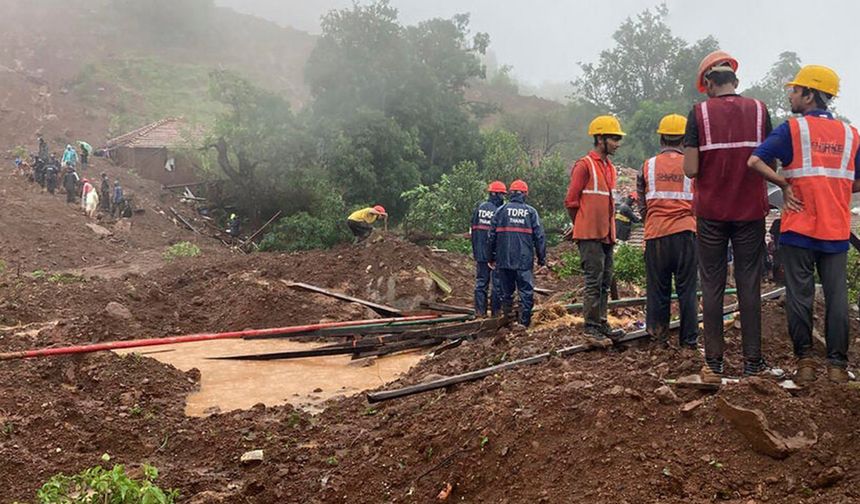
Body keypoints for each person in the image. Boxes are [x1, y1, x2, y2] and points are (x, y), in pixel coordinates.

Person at [747, 65, 860, 384]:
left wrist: (783, 183)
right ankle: (837, 366)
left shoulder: (792, 130)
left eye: (796, 90)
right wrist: (836, 190)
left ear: (810, 95)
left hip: (799, 228)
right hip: (836, 229)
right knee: (837, 296)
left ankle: (805, 363)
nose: (791, 94)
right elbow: (855, 180)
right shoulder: (851, 135)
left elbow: (754, 161)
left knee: (800, 295)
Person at [683, 50, 774, 382]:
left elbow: (691, 169)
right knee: (749, 281)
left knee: (712, 282)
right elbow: (770, 164)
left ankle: (715, 363)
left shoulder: (698, 114)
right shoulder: (760, 110)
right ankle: (752, 362)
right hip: (750, 210)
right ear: (736, 81)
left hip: (711, 213)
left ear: (709, 84)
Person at [636, 113, 698, 349]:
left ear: (662, 138)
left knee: (657, 291)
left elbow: (642, 203)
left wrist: (652, 222)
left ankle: (658, 339)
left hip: (656, 236)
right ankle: (689, 343)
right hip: (686, 234)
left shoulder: (647, 166)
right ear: (684, 140)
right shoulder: (692, 165)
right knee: (688, 292)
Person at [565, 115, 626, 344]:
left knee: (605, 280)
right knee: (593, 280)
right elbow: (571, 201)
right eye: (614, 138)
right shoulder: (584, 165)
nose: (617, 143)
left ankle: (601, 323)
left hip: (607, 234)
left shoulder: (609, 168)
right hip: (590, 234)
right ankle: (591, 328)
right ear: (600, 138)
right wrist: (579, 224)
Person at [487, 179, 547, 327]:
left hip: (503, 259)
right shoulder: (531, 212)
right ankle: (524, 324)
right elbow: (539, 237)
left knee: (506, 292)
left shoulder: (500, 211)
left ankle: (507, 322)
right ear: (525, 194)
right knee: (526, 292)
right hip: (524, 260)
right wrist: (542, 258)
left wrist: (491, 257)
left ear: (510, 193)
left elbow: (491, 237)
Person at [471, 181, 506, 318]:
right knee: (496, 284)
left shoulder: (479, 209)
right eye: (502, 195)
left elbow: (473, 231)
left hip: (480, 252)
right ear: (495, 194)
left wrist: (476, 251)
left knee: (481, 283)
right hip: (495, 254)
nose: (503, 198)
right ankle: (496, 313)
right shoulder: (499, 211)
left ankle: (480, 312)